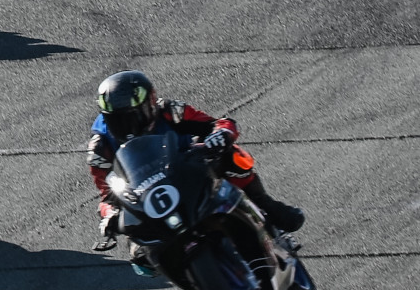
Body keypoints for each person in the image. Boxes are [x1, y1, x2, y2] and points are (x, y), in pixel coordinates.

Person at [89, 70, 305, 269]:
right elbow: (107, 197)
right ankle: (200, 280)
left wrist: (220, 136)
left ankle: (266, 209)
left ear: (151, 104)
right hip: (150, 199)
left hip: (188, 173)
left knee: (232, 156)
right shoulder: (100, 147)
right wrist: (109, 216)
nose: (128, 126)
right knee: (140, 256)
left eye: (133, 116)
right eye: (117, 120)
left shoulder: (170, 111)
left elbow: (219, 124)